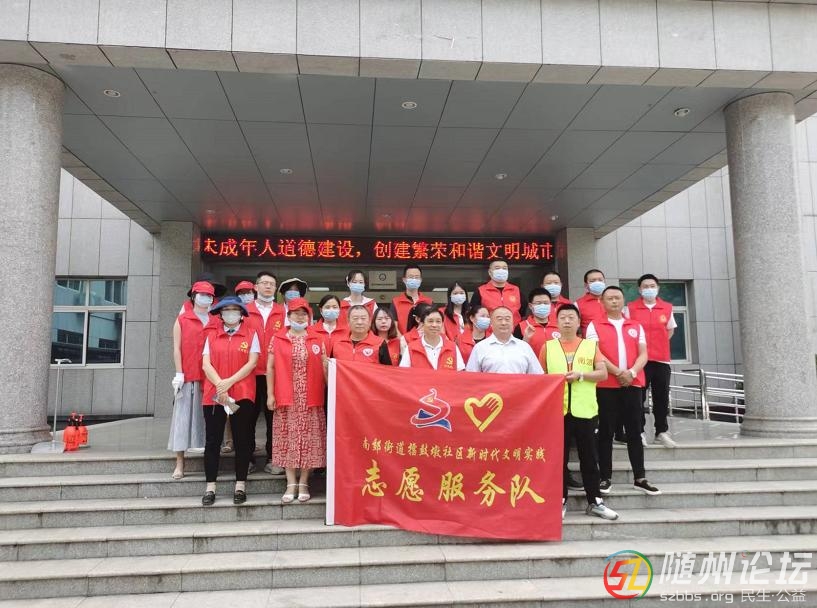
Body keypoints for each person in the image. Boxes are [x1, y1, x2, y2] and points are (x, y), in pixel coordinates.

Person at [540, 304, 618, 521]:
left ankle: (595, 501)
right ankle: (559, 500)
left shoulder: (590, 346)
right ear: (556, 322)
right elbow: (540, 376)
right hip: (557, 412)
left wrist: (581, 375)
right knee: (559, 459)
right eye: (562, 317)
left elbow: (603, 374)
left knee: (589, 458)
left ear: (578, 322)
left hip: (585, 411)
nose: (567, 321)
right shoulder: (548, 347)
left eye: (571, 317)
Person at [586, 286, 661, 496]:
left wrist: (631, 372)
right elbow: (595, 353)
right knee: (606, 431)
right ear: (602, 302)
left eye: (617, 298)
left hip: (632, 384)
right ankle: (605, 477)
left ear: (623, 301)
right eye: (609, 298)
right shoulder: (594, 325)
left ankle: (640, 477)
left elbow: (643, 354)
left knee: (634, 431)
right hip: (606, 385)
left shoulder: (635, 325)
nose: (614, 301)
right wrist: (618, 372)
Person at [266, 298, 327, 504]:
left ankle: (304, 482)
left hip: (311, 398)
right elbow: (270, 367)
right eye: (295, 313)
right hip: (286, 397)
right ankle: (290, 482)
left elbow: (325, 366)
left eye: (304, 314)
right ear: (288, 315)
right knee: (287, 439)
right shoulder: (278, 338)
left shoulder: (317, 338)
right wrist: (270, 394)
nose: (300, 317)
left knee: (309, 439)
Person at [200, 296, 260, 506]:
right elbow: (206, 364)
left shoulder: (250, 334)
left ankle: (240, 485)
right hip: (215, 394)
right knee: (213, 440)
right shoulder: (211, 334)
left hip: (241, 393)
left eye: (235, 310)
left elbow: (252, 363)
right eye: (227, 310)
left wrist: (229, 382)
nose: (231, 313)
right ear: (220, 314)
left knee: (242, 439)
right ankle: (210, 486)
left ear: (242, 314)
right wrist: (220, 384)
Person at [627, 274, 678, 448]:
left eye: (652, 286)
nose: (649, 289)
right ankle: (639, 431)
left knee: (661, 397)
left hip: (661, 360)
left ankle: (661, 431)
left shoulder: (667, 308)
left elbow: (670, 330)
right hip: (639, 361)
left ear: (658, 288)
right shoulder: (631, 308)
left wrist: (659, 344)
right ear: (639, 289)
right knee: (637, 397)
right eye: (645, 286)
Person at [167, 281, 212, 479]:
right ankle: (179, 463)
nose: (205, 298)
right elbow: (176, 348)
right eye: (202, 294)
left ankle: (210, 459)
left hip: (209, 378)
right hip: (188, 376)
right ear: (193, 296)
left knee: (209, 420)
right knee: (182, 419)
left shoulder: (215, 320)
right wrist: (179, 373)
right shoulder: (183, 319)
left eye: (209, 295)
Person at [245, 271, 286, 474]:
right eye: (264, 283)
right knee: (248, 417)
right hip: (248, 372)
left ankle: (273, 457)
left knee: (273, 418)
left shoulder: (283, 312)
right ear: (256, 286)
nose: (268, 286)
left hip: (275, 373)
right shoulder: (245, 311)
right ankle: (247, 457)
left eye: (272, 284)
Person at [465, 307, 543, 375]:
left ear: (513, 323)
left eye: (507, 319)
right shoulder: (480, 347)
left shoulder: (524, 347)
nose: (503, 323)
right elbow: (471, 377)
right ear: (491, 323)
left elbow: (537, 376)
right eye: (499, 319)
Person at [400, 307, 465, 371]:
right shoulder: (411, 348)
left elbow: (460, 373)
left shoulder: (453, 347)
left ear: (442, 324)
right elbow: (404, 373)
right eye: (430, 321)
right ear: (422, 324)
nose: (434, 325)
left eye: (438, 321)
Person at [470, 259, 524, 327]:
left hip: (514, 331)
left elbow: (523, 312)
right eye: (497, 268)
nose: (501, 270)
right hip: (489, 331)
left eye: (504, 268)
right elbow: (474, 313)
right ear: (490, 272)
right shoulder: (480, 291)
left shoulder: (516, 290)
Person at [514, 288, 559, 360]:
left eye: (546, 303)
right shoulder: (521, 327)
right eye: (538, 303)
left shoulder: (559, 326)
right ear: (530, 306)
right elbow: (515, 352)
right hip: (532, 366)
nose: (542, 306)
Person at [391, 264, 431, 334]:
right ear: (404, 280)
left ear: (421, 280)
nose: (414, 279)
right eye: (411, 277)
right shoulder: (396, 302)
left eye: (417, 277)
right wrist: (403, 340)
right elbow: (394, 327)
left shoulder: (428, 302)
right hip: (402, 340)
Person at [575, 269, 607, 336]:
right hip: (590, 341)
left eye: (600, 280)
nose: (597, 282)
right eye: (592, 281)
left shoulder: (612, 300)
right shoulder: (578, 304)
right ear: (586, 285)